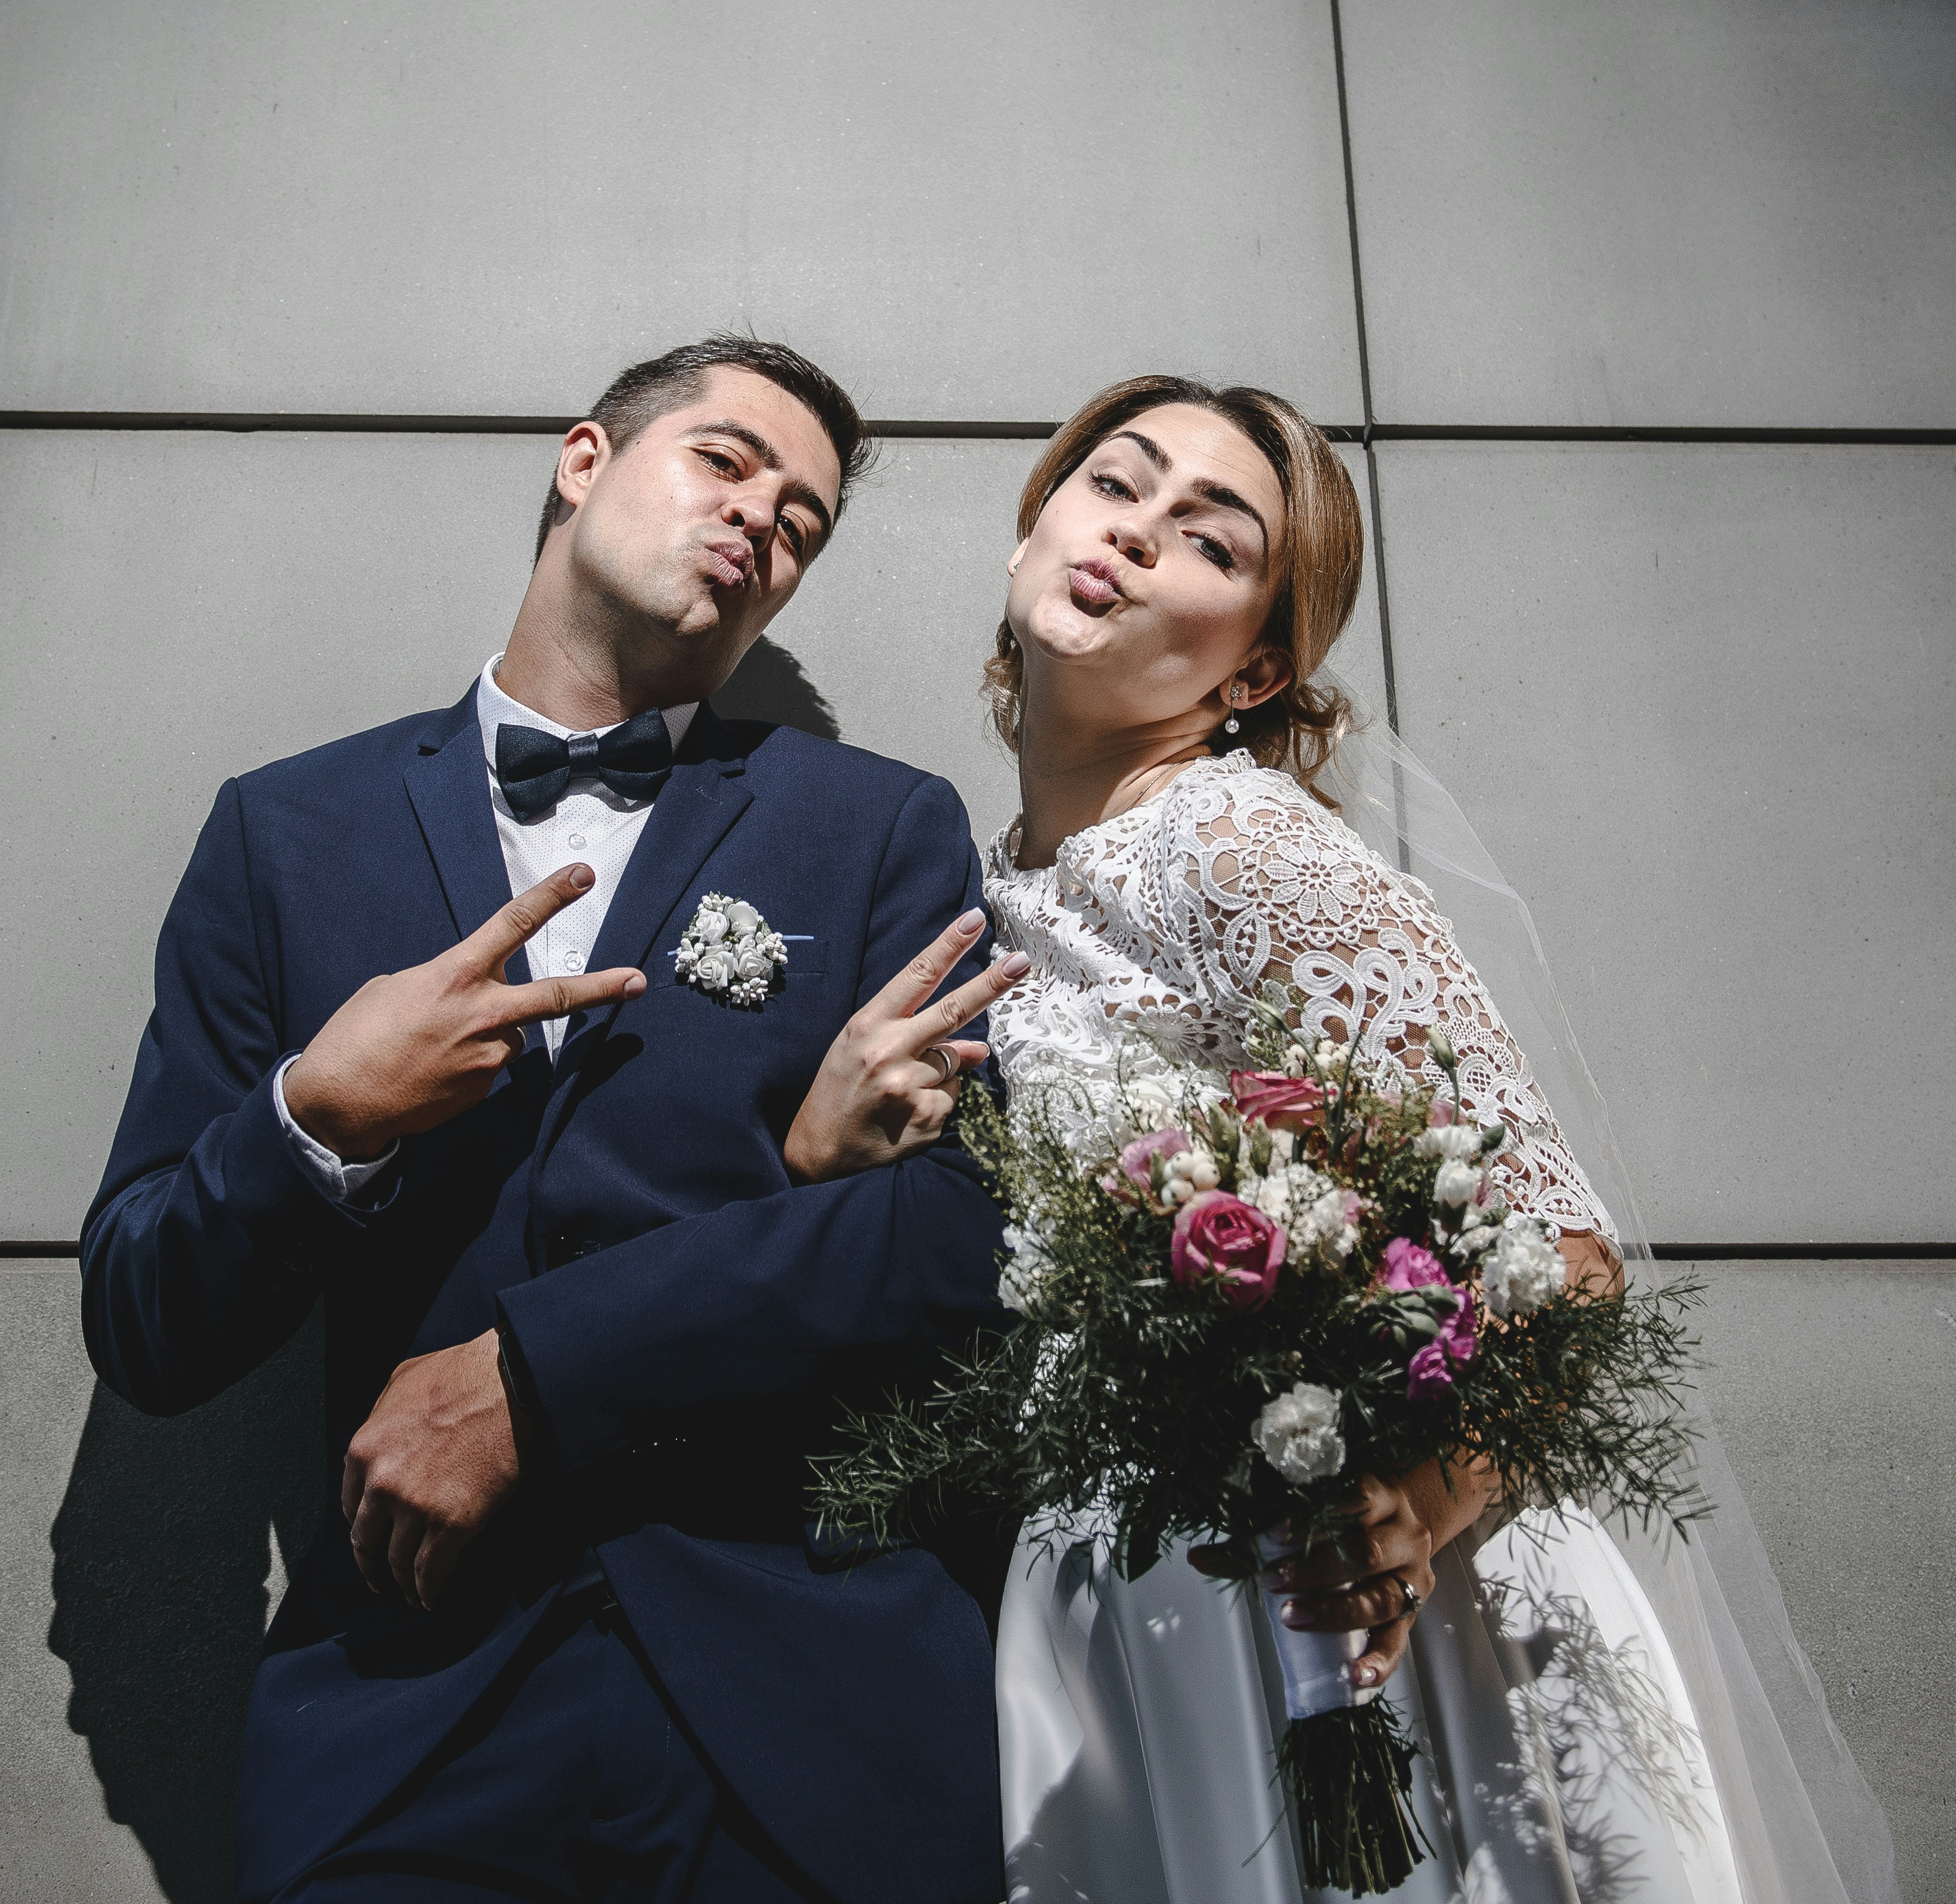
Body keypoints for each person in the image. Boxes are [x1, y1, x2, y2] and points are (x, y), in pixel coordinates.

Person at [791, 377, 1898, 1904]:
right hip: (1119, 1590)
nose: (1137, 534)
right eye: (1114, 484)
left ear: (1256, 667)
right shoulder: (975, 894)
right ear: (1029, 528)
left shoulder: (1247, 848)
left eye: (1211, 540)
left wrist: (1412, 1514)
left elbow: (1563, 1257)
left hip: (1360, 1600)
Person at [79, 335, 1033, 1904]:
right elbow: (145, 1319)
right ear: (584, 460)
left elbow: (963, 1230)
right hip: (406, 1713)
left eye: (801, 522)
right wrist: (317, 1116)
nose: (761, 521)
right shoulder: (285, 830)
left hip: (803, 1705)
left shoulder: (874, 826)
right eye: (726, 462)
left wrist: (537, 1373)